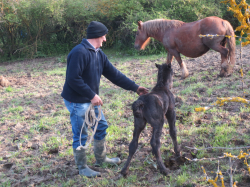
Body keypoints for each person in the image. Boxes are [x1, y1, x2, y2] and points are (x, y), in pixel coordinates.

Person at [61, 21, 148, 178]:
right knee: (81, 134)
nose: (105, 40)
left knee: (101, 126)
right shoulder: (79, 52)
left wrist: (135, 87)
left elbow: (114, 74)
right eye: (104, 36)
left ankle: (101, 159)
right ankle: (82, 167)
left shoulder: (98, 53)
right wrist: (92, 95)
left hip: (91, 100)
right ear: (97, 36)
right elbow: (73, 79)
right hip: (77, 101)